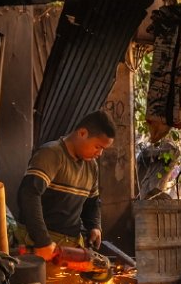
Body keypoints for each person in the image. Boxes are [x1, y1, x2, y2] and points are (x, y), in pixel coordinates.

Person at [17, 110, 115, 261]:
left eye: (103, 149)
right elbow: (29, 194)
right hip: (39, 242)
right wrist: (42, 241)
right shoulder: (51, 154)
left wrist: (94, 226)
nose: (100, 153)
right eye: (97, 146)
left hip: (70, 245)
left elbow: (92, 202)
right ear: (82, 133)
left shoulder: (92, 166)